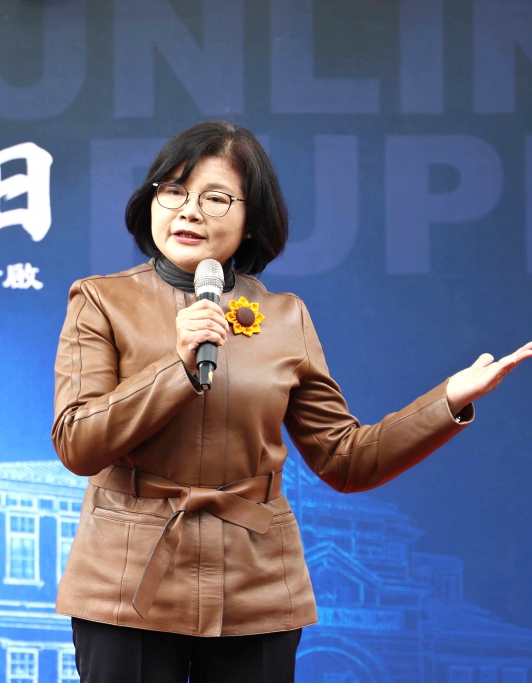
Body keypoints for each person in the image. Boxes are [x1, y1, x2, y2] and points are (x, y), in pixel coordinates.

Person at [50, 121, 532, 683]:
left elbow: (346, 460)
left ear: (252, 218)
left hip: (255, 585)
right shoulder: (101, 301)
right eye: (174, 190)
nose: (189, 211)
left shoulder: (285, 317)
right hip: (125, 579)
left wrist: (447, 400)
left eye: (215, 197)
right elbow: (78, 443)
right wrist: (176, 367)